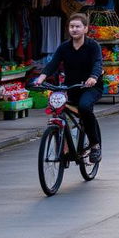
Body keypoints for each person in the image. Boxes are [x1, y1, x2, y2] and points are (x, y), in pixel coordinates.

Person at [35, 12, 103, 162]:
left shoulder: (93, 46)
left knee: (84, 108)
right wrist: (41, 77)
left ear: (85, 29)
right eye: (72, 26)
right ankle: (64, 145)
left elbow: (98, 63)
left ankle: (95, 145)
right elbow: (53, 63)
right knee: (58, 109)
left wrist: (93, 77)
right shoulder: (64, 47)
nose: (74, 29)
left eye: (78, 26)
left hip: (90, 87)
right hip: (70, 87)